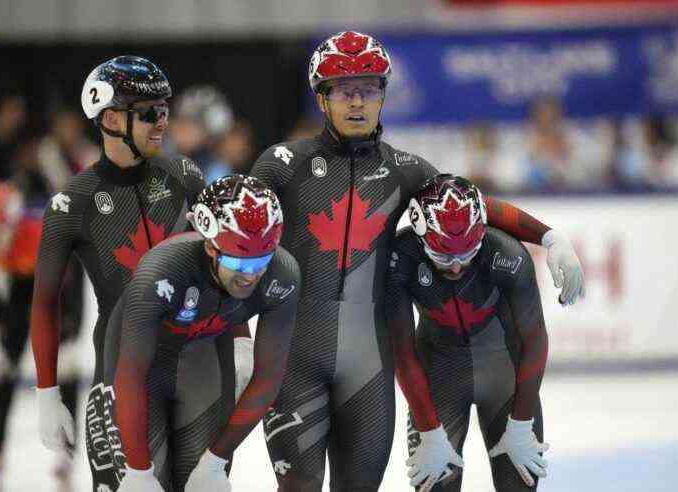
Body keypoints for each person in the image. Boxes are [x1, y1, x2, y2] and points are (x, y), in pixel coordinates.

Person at [249, 31, 583, 491]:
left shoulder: (406, 169)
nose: (358, 103)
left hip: (369, 364)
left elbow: (471, 204)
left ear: (384, 95)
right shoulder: (282, 163)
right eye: (345, 91)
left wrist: (548, 236)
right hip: (296, 358)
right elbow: (231, 237)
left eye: (369, 90)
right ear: (322, 98)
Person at [29, 55, 213, 491]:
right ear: (110, 117)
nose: (161, 124)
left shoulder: (184, 175)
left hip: (197, 366)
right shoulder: (73, 202)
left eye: (164, 111)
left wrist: (240, 343)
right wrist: (47, 392)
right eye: (148, 113)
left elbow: (221, 259)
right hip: (121, 369)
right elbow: (44, 301)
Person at [110, 175, 299, 492]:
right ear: (211, 247)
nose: (251, 276)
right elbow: (131, 376)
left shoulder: (283, 273)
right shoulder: (162, 272)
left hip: (204, 358)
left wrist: (216, 461)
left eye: (262, 260)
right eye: (239, 261)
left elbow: (268, 378)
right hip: (141, 363)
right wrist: (138, 471)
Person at [387, 175, 550, 492]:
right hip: (438, 374)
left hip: (504, 374)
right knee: (436, 485)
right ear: (420, 237)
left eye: (468, 253)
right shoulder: (401, 258)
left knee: (519, 483)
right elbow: (401, 353)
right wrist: (429, 430)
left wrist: (520, 425)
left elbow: (535, 340)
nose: (457, 267)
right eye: (444, 256)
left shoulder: (509, 254)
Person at [0, 180, 84, 484]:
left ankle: (67, 450)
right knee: (2, 368)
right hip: (23, 286)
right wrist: (2, 322)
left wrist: (70, 324)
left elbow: (69, 284)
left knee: (67, 365)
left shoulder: (37, 236)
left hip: (61, 285)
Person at [169, 85, 236, 182]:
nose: (181, 128)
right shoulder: (156, 147)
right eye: (180, 119)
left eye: (192, 123)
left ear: (209, 139)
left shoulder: (216, 172)